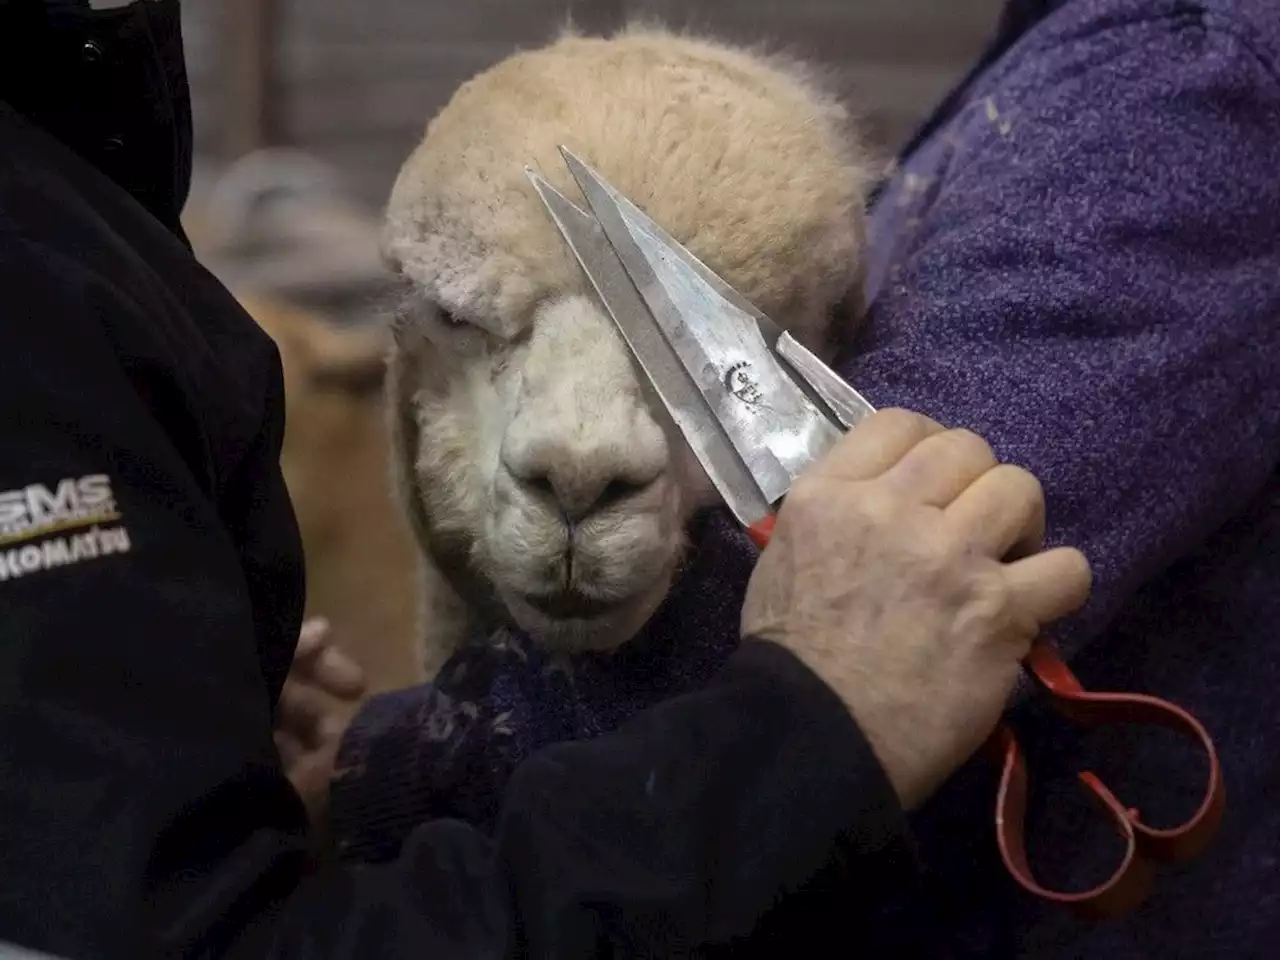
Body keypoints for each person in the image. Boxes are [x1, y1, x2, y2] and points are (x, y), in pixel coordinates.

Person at [0, 3, 1092, 958]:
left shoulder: (72, 152)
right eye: (463, 319)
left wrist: (153, 692)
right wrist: (812, 730)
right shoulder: (39, 258)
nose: (579, 449)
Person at [315, 0, 1280, 956]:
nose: (580, 451)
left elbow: (865, 580)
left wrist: (389, 773)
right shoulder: (1089, 48)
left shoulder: (1188, 86)